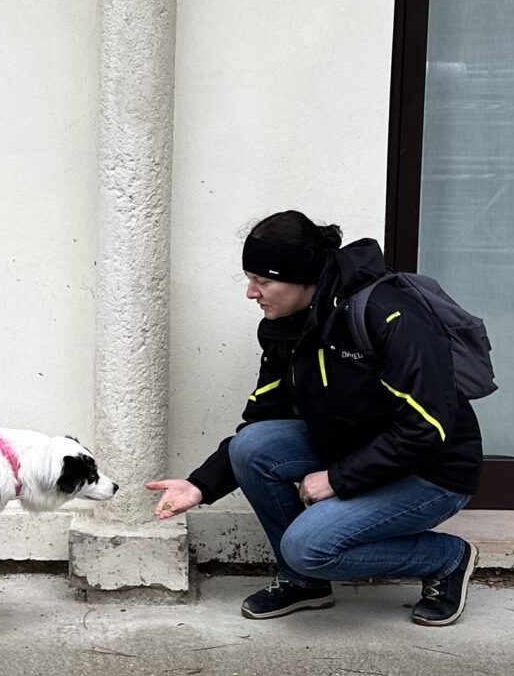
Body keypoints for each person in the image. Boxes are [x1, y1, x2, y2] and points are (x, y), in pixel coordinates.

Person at [146, 210, 483, 626]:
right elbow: (262, 420)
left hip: (431, 473)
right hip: (356, 451)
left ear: (302, 277)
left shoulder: (388, 315)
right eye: (248, 279)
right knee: (252, 447)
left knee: (307, 547)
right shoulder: (284, 326)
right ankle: (304, 582)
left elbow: (426, 430)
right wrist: (201, 484)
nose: (251, 293)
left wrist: (337, 479)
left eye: (262, 281)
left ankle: (445, 558)